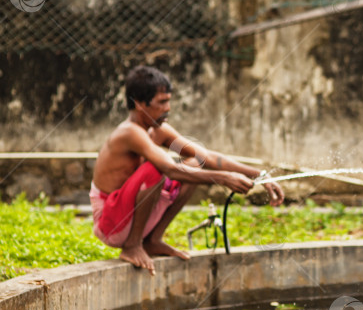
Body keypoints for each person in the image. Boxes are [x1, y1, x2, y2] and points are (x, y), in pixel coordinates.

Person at [91, 65, 284, 275]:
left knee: (194, 164)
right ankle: (133, 246)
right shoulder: (129, 132)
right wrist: (224, 178)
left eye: (169, 100)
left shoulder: (158, 130)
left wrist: (260, 175)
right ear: (139, 104)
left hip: (132, 217)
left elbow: (206, 157)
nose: (168, 108)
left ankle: (153, 240)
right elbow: (169, 170)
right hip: (112, 224)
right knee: (156, 170)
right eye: (162, 102)